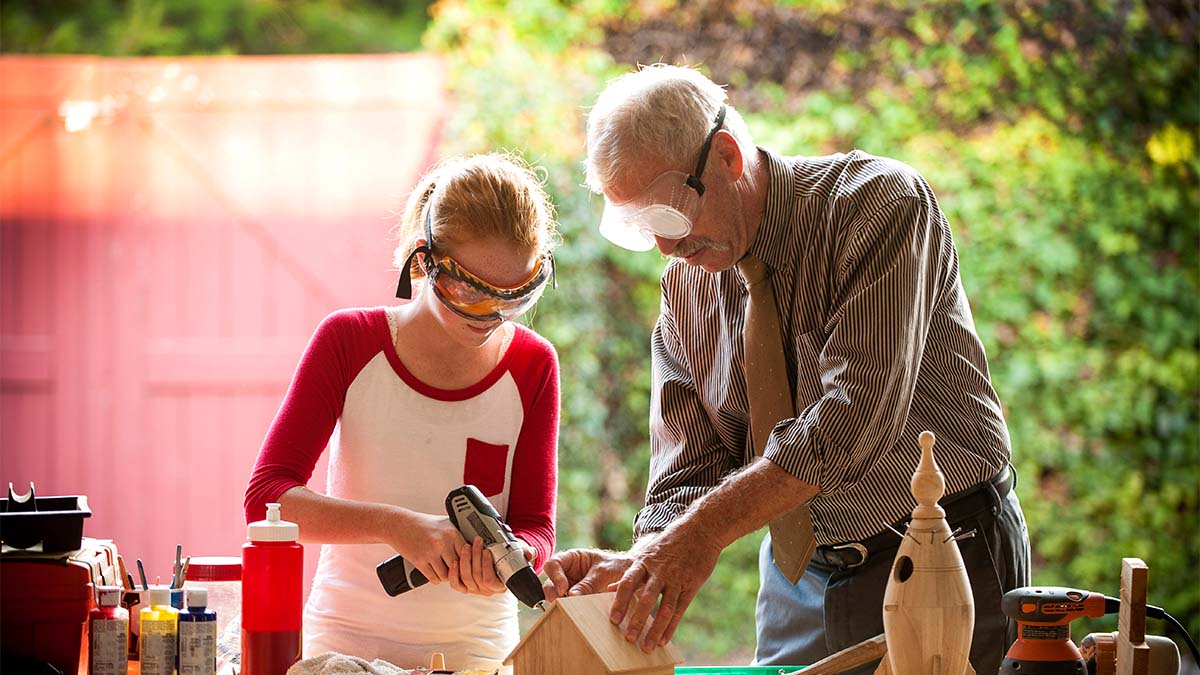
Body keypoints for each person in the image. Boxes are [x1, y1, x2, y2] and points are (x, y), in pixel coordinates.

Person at [543, 64, 1030, 674]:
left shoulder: (878, 207)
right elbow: (687, 468)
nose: (666, 247)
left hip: (942, 552)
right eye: (640, 229)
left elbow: (850, 424)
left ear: (726, 156)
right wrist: (646, 560)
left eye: (667, 217)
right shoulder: (685, 291)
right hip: (798, 577)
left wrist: (696, 536)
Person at [244, 153, 561, 669]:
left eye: (516, 294)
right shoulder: (348, 341)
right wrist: (400, 527)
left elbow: (535, 527)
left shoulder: (533, 366)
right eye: (470, 292)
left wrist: (515, 556)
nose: (493, 316)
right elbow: (266, 501)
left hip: (477, 652)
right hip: (345, 645)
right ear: (423, 260)